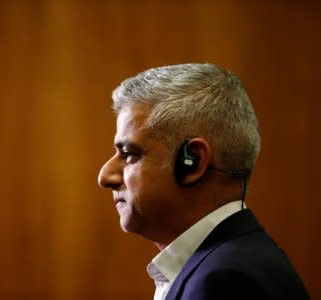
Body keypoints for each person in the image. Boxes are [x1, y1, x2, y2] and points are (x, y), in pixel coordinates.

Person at [97, 63, 309, 300]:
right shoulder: (229, 261)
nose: (105, 176)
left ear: (193, 161)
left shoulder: (225, 281)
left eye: (129, 153)